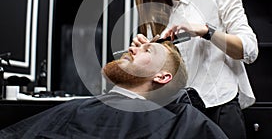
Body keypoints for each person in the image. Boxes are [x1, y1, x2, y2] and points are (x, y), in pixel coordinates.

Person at [132, 0, 259, 138]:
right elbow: (158, 78)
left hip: (220, 107)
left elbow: (249, 50)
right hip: (177, 114)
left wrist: (206, 31)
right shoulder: (157, 21)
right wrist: (142, 55)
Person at [0, 41, 228, 139]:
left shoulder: (180, 123)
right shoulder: (79, 107)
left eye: (147, 51)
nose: (131, 48)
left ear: (162, 76)